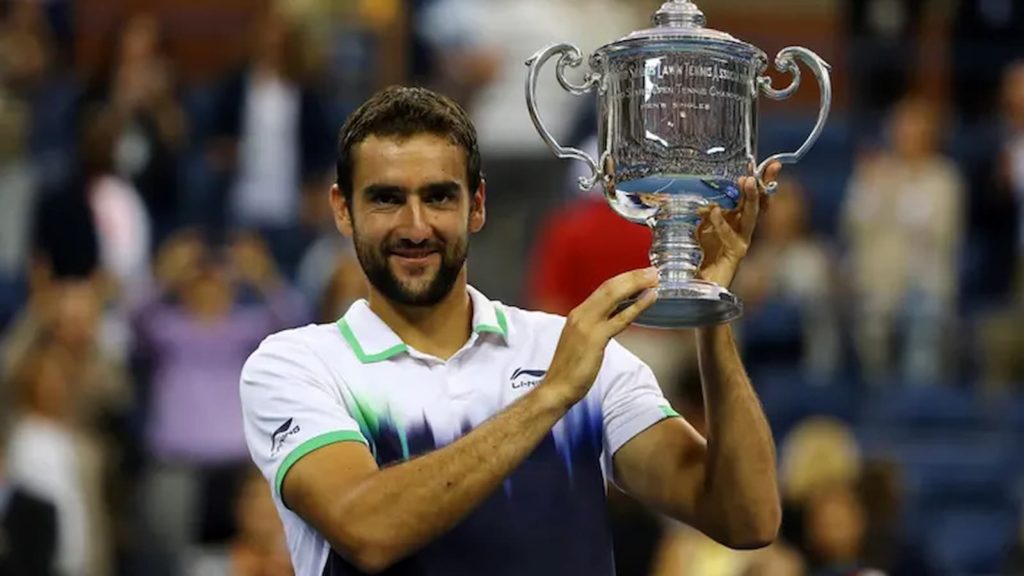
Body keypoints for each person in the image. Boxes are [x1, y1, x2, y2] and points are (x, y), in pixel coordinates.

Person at [239, 86, 782, 575]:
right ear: (342, 210)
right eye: (386, 198)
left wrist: (709, 311)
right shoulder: (295, 365)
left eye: (438, 196)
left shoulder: (571, 352)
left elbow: (747, 518)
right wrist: (551, 396)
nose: (415, 226)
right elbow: (368, 531)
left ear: (476, 206)